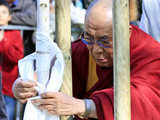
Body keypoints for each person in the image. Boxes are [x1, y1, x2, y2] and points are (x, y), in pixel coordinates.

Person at [12, 0, 160, 120]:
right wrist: (24, 85)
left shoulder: (149, 53)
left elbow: (142, 100)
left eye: (105, 40)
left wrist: (85, 106)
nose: (95, 49)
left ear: (126, 32)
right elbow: (51, 71)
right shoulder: (82, 49)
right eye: (89, 37)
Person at [0, 1, 24, 120]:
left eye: (3, 12)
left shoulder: (14, 33)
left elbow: (17, 57)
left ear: (9, 17)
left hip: (8, 87)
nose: (0, 15)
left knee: (7, 117)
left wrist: (3, 41)